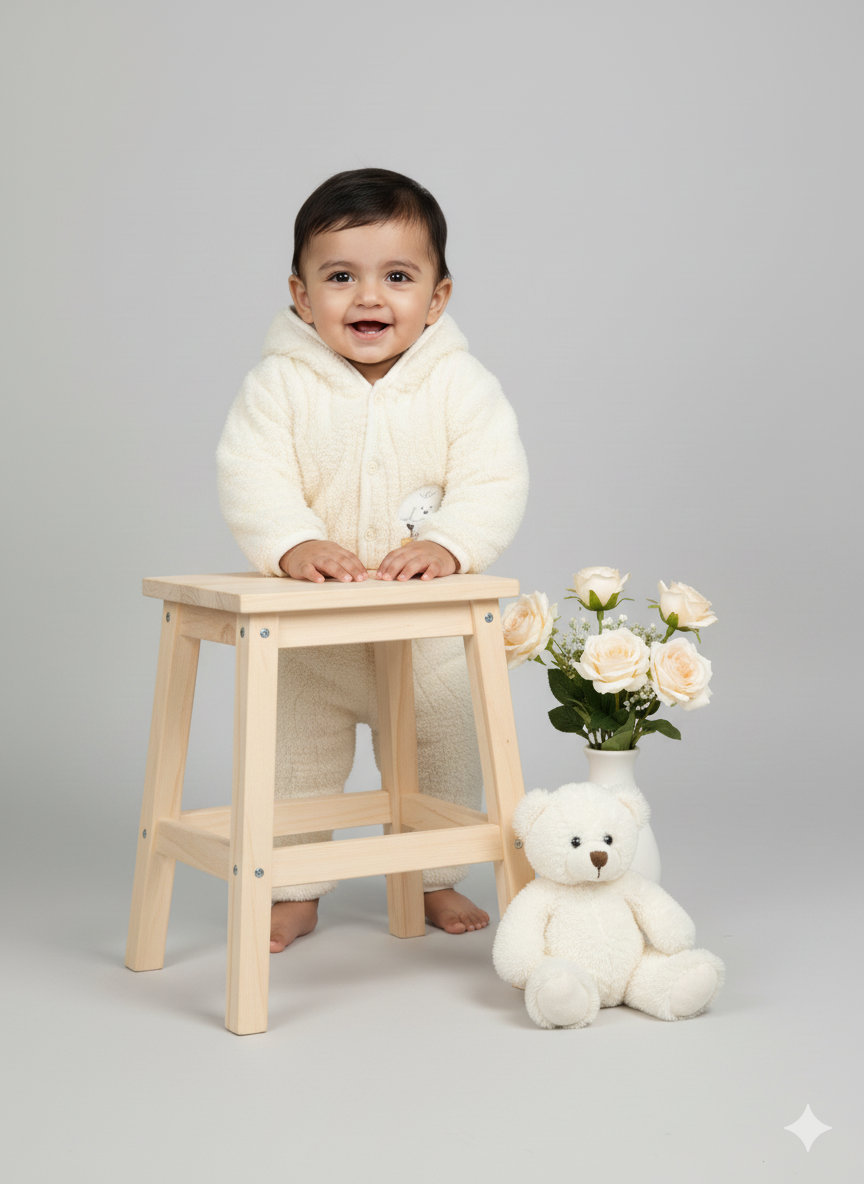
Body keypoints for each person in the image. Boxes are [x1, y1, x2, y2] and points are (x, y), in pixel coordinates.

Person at [216, 168, 528, 952]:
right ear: (300, 295)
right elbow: (252, 475)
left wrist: (448, 543)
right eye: (340, 277)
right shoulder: (279, 384)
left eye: (397, 277)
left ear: (438, 297)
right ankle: (292, 889)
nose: (368, 298)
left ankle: (436, 876)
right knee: (295, 762)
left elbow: (495, 478)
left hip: (421, 635)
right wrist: (291, 542)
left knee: (444, 747)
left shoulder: (459, 384)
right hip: (311, 639)